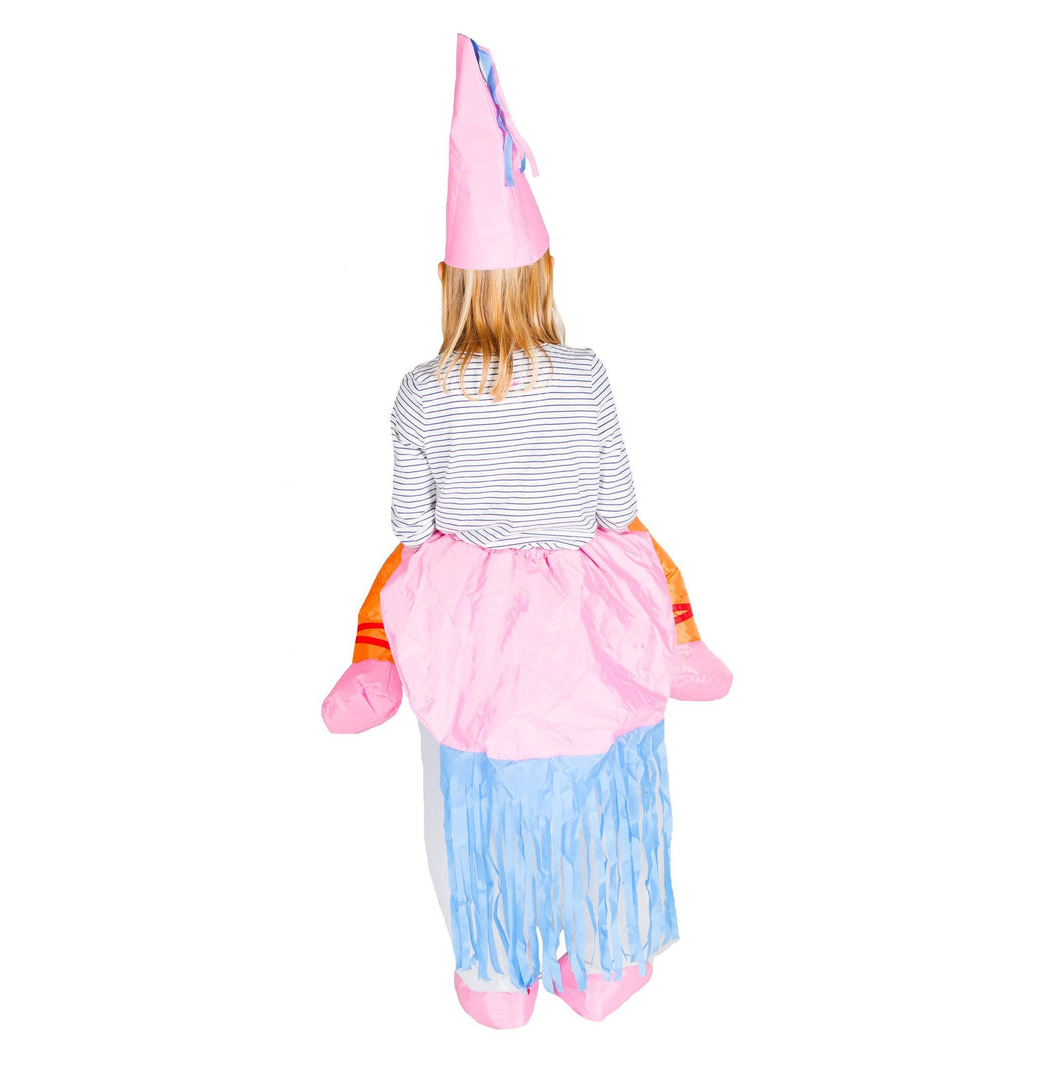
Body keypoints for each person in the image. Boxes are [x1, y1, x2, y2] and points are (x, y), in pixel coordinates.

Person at [321, 33, 732, 1029]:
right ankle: (607, 965)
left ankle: (497, 982)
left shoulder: (420, 393)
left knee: (482, 792)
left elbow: (411, 529)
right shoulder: (586, 376)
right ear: (546, 274)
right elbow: (616, 508)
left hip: (476, 630)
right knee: (600, 782)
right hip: (585, 622)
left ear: (445, 279)